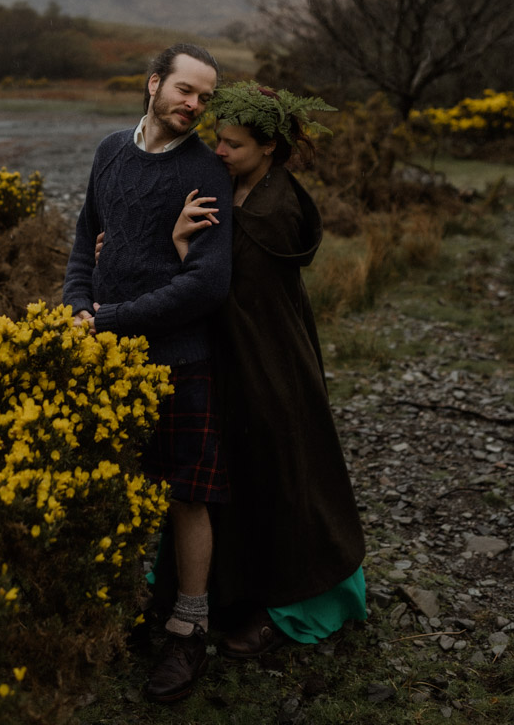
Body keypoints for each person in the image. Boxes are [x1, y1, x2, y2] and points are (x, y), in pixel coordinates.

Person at [62, 43, 233, 704]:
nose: (193, 105)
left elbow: (207, 284)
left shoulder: (204, 172)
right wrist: (78, 307)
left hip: (179, 362)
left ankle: (187, 631)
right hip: (106, 357)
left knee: (187, 496)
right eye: (185, 90)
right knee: (115, 487)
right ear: (154, 83)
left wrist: (109, 319)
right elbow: (86, 237)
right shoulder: (110, 151)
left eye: (204, 97)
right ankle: (127, 611)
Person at [171, 81, 366, 657]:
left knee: (280, 475)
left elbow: (221, 297)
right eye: (217, 139)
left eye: (232, 144)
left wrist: (185, 256)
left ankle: (290, 607)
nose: (219, 152)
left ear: (270, 149)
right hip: (252, 359)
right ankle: (229, 593)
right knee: (247, 474)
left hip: (269, 368)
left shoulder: (273, 213)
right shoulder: (240, 187)